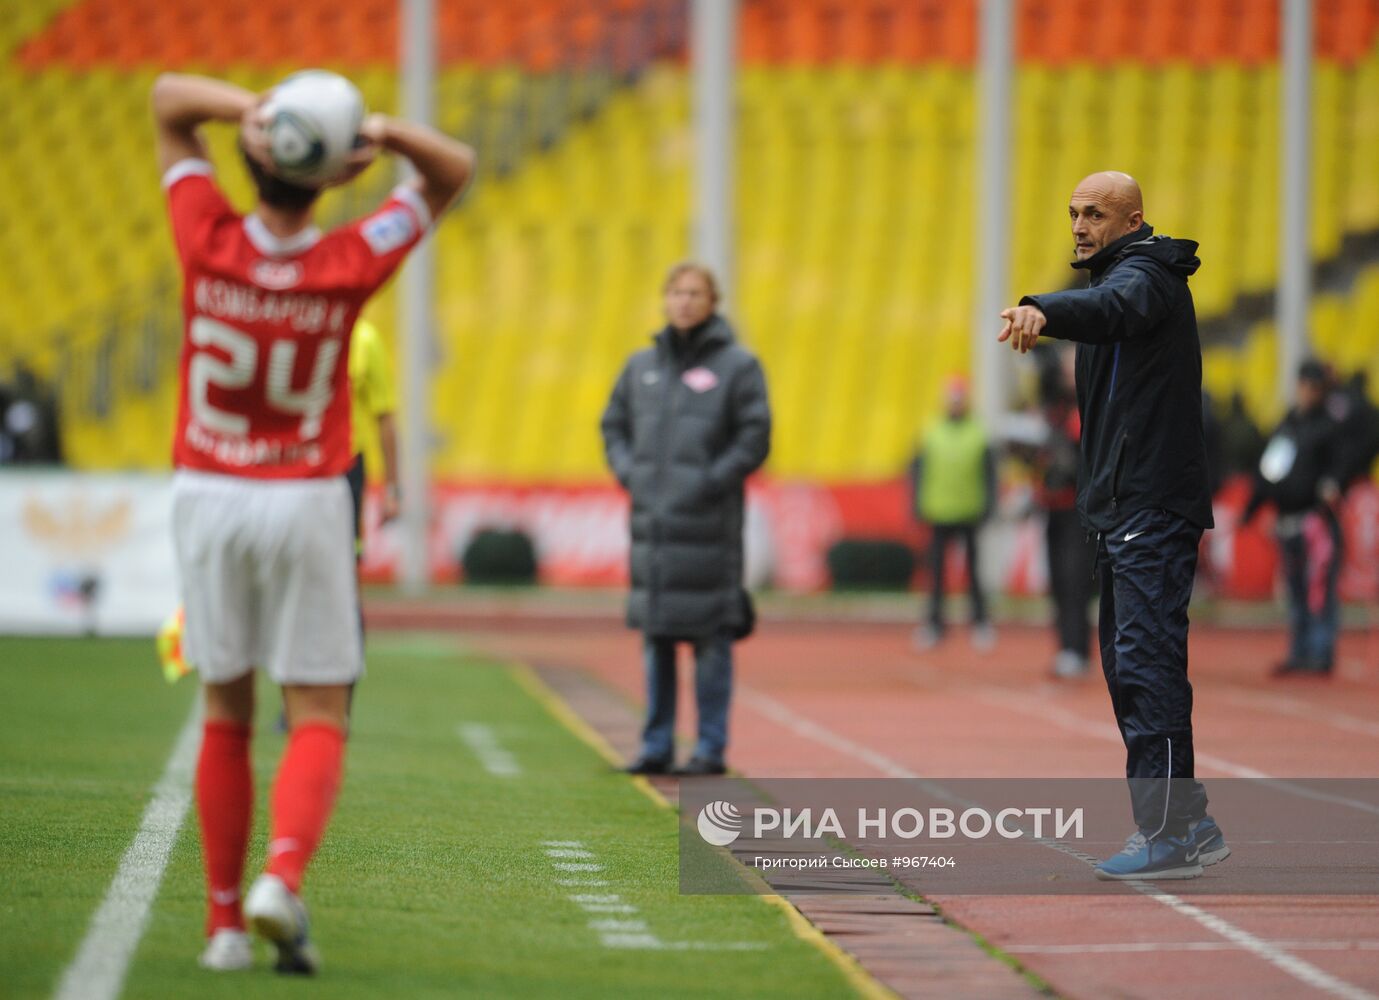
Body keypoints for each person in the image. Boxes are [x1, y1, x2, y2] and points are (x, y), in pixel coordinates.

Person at [153, 73, 473, 973]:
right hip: (304, 493)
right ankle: (279, 879)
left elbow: (168, 100)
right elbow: (453, 171)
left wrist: (251, 110)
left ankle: (222, 928)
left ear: (256, 160)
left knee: (226, 703)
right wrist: (377, 131)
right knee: (319, 706)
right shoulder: (347, 259)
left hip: (207, 488)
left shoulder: (206, 234)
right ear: (335, 179)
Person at [998, 171, 1228, 880]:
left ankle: (1166, 832)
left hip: (1149, 507)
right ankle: (1187, 825)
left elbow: (1113, 309)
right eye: (1071, 212)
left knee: (1145, 664)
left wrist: (1043, 308)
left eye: (1094, 213)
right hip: (1123, 510)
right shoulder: (1121, 280)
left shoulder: (1146, 276)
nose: (1077, 224)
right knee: (1130, 665)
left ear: (1132, 220)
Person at [601, 262, 770, 777]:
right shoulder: (640, 367)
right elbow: (612, 426)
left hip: (710, 530)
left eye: (696, 293)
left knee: (710, 641)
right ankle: (655, 745)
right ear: (664, 299)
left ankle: (710, 748)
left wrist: (710, 482)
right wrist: (632, 473)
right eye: (676, 291)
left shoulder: (739, 366)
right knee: (656, 640)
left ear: (713, 302)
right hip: (653, 529)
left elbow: (755, 437)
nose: (685, 301)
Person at [1241, 359, 1343, 676]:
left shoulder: (1330, 426)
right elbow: (1268, 472)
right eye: (1305, 385)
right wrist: (1252, 509)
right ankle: (1301, 651)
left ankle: (1320, 651)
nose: (1308, 392)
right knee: (1297, 590)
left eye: (1315, 387)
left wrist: (1333, 483)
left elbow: (1342, 464)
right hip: (1288, 521)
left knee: (1319, 589)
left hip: (1317, 522)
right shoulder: (1288, 425)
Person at [909, 375, 997, 652]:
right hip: (938, 510)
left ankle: (980, 623)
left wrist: (988, 506)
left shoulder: (978, 433)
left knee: (973, 572)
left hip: (969, 511)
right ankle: (935, 624)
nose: (956, 405)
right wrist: (917, 504)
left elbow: (989, 475)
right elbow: (917, 472)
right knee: (935, 574)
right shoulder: (931, 431)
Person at [1033, 356, 1097, 679]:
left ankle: (1077, 649)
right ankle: (1066, 647)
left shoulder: (1088, 405)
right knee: (1058, 581)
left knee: (1075, 582)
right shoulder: (1054, 409)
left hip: (1076, 510)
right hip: (1054, 507)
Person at [347, 317, 402, 547]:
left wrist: (392, 491)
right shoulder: (296, 330)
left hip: (347, 465)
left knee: (349, 556)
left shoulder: (364, 339)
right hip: (300, 465)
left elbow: (385, 417)